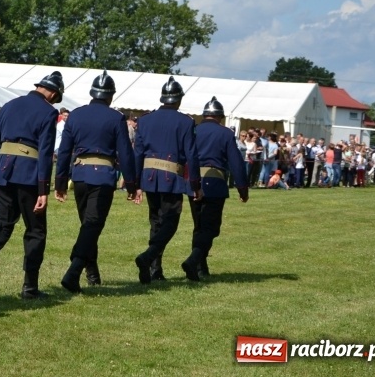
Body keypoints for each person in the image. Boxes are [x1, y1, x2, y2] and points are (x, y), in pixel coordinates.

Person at [0, 71, 63, 301]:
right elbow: (46, 151)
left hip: (3, 171)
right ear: (52, 93)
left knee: (2, 223)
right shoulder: (48, 112)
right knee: (35, 230)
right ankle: (30, 287)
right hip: (29, 175)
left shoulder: (9, 105)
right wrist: (43, 189)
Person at [55, 70, 137, 293]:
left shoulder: (76, 115)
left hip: (80, 175)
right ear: (110, 96)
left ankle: (92, 274)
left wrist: (60, 183)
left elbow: (64, 151)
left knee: (88, 226)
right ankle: (74, 271)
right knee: (92, 225)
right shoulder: (116, 117)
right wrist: (131, 184)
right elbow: (125, 153)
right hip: (103, 176)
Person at [133, 76, 201, 284]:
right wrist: (195, 185)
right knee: (170, 223)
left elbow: (138, 153)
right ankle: (148, 258)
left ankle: (155, 268)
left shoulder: (145, 120)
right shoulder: (186, 121)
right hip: (171, 178)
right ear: (179, 99)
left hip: (150, 177)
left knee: (156, 221)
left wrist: (135, 184)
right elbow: (191, 155)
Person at [180, 97, 248, 281]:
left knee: (199, 226)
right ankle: (194, 261)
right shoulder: (225, 133)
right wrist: (242, 187)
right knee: (210, 228)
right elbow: (235, 162)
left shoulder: (193, 130)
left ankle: (201, 267)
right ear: (219, 116)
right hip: (214, 182)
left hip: (193, 182)